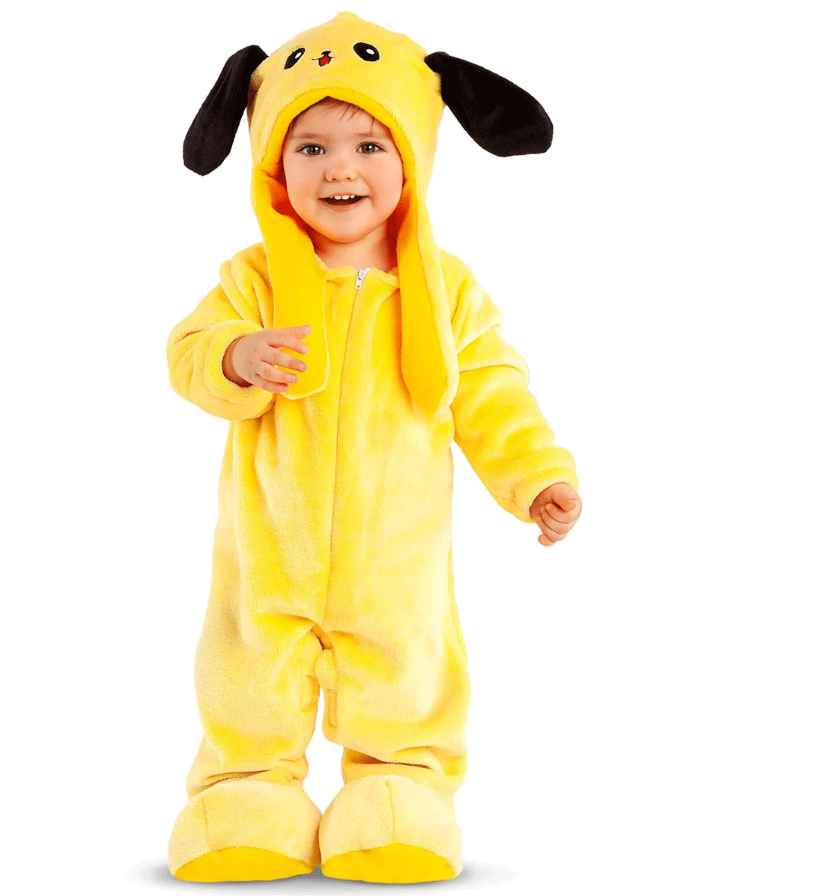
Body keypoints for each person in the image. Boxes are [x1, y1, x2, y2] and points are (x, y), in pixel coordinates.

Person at [165, 11, 581, 885]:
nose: (340, 168)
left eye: (369, 145)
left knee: (406, 676)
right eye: (310, 147)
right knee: (246, 673)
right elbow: (188, 353)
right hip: (269, 549)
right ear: (273, 163)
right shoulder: (253, 277)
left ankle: (400, 794)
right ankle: (245, 795)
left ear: (414, 157)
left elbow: (494, 393)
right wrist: (237, 356)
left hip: (396, 557)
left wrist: (537, 475)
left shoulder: (446, 288)